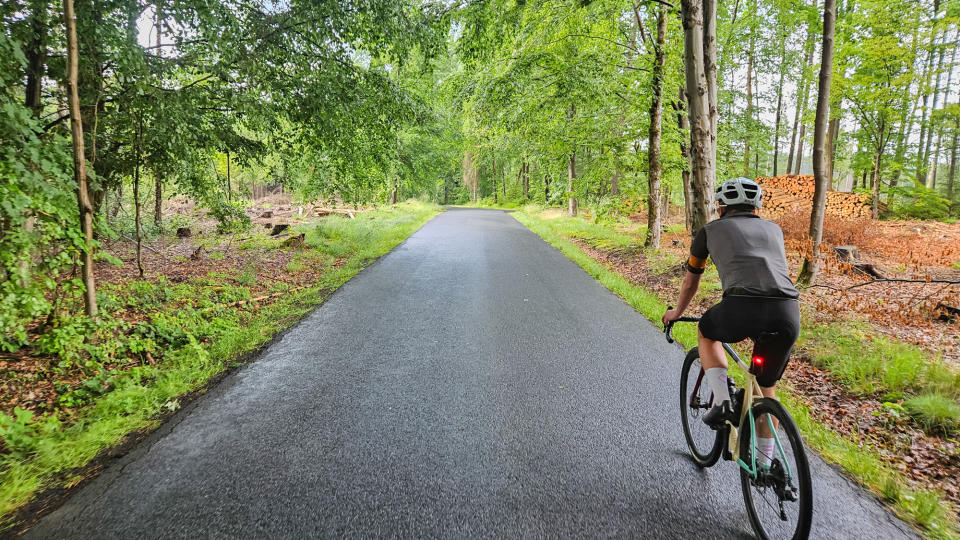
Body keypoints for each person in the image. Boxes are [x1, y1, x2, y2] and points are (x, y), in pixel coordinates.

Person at [662, 177, 800, 465]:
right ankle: (764, 466)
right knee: (765, 390)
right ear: (756, 206)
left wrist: (676, 312)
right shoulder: (774, 229)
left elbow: (690, 282)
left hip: (741, 307)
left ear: (722, 207)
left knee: (706, 331)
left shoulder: (709, 231)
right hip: (787, 311)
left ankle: (723, 400)